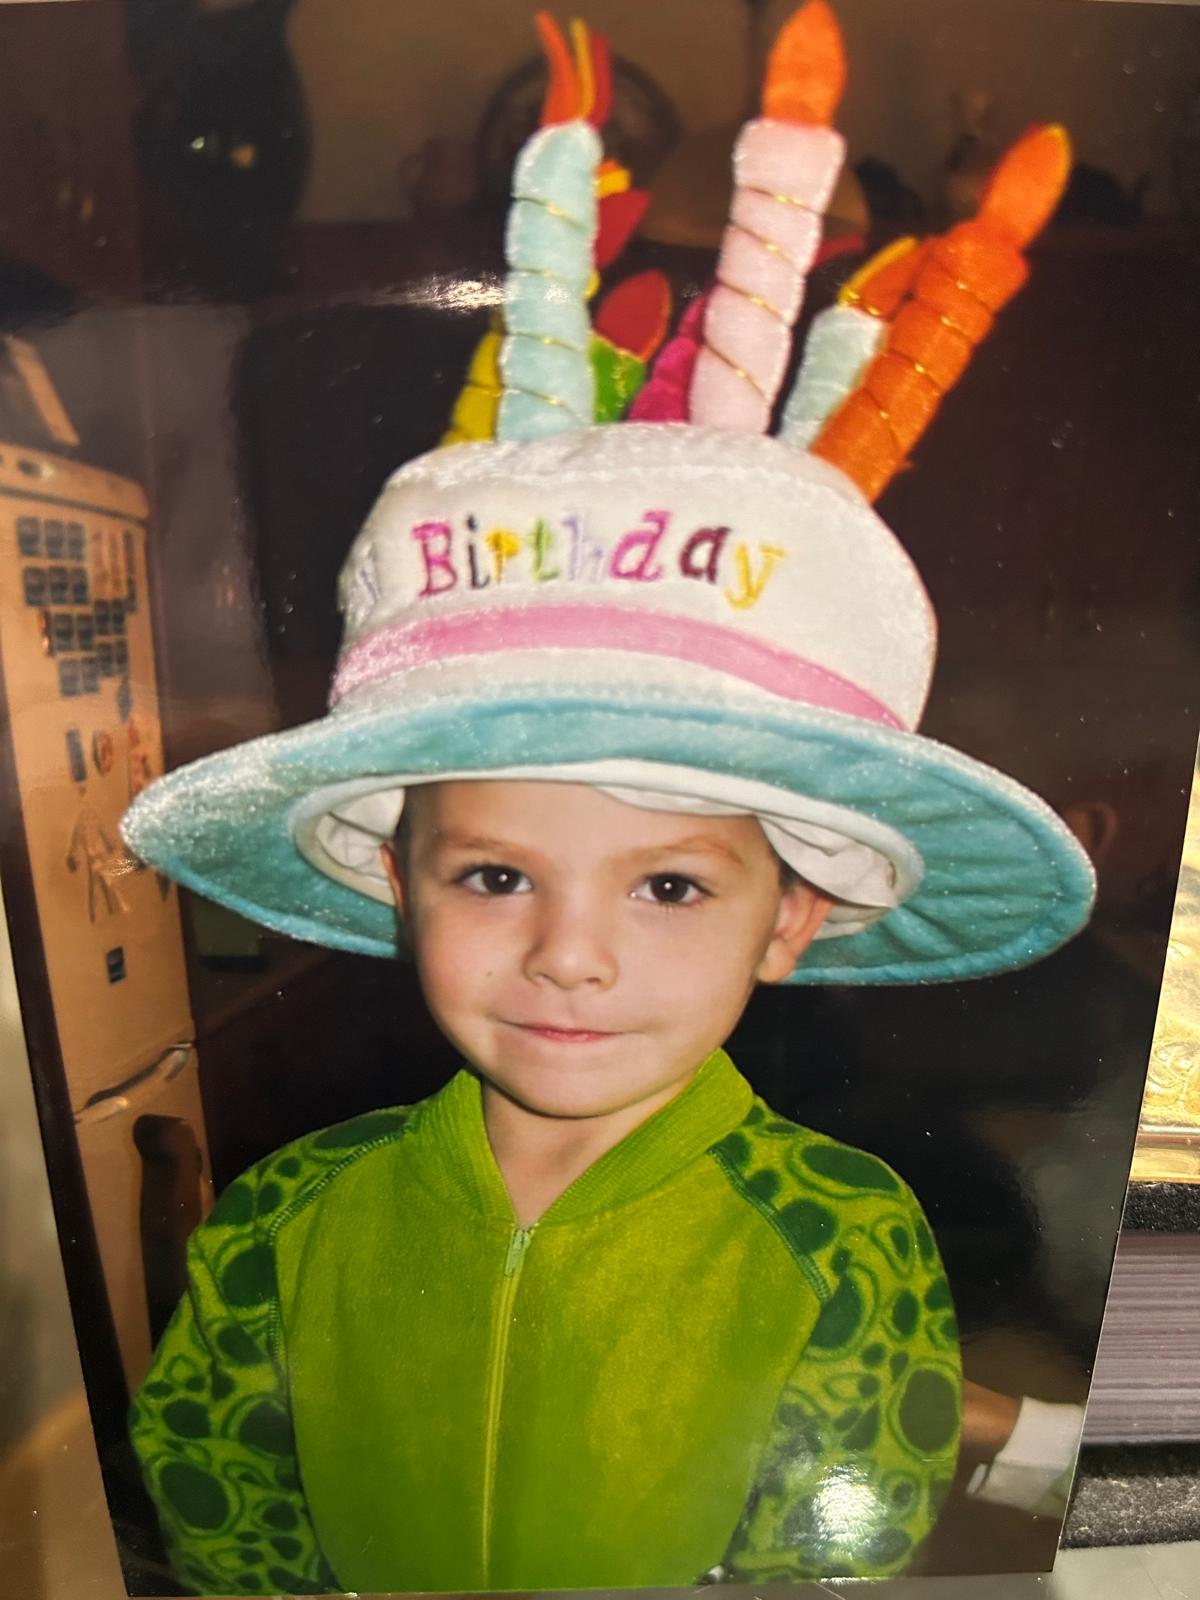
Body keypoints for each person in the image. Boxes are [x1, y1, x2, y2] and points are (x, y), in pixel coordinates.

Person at [121, 8, 1095, 1593]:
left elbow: (847, 1511)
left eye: (667, 887)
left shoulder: (840, 1232)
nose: (569, 956)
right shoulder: (285, 1217)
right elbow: (217, 1467)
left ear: (797, 917)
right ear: (392, 874)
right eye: (497, 878)